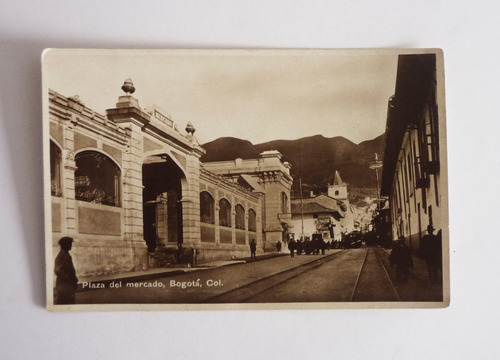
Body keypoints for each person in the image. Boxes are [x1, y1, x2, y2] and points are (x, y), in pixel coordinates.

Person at [54, 236, 78, 305]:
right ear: (65, 245)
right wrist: (69, 279)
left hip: (67, 286)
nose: (71, 245)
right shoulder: (61, 256)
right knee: (64, 303)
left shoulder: (66, 255)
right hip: (64, 287)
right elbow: (57, 270)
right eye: (69, 244)